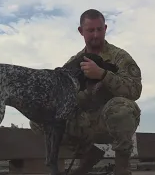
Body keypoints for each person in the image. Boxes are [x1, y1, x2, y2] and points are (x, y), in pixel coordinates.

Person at [29, 9, 142, 175]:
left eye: (99, 29)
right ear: (81, 31)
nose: (95, 35)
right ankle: (88, 155)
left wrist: (103, 75)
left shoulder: (119, 57)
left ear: (105, 28)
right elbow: (58, 96)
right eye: (90, 30)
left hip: (108, 122)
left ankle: (122, 168)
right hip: (82, 122)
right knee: (39, 119)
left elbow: (135, 91)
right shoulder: (74, 63)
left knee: (121, 108)